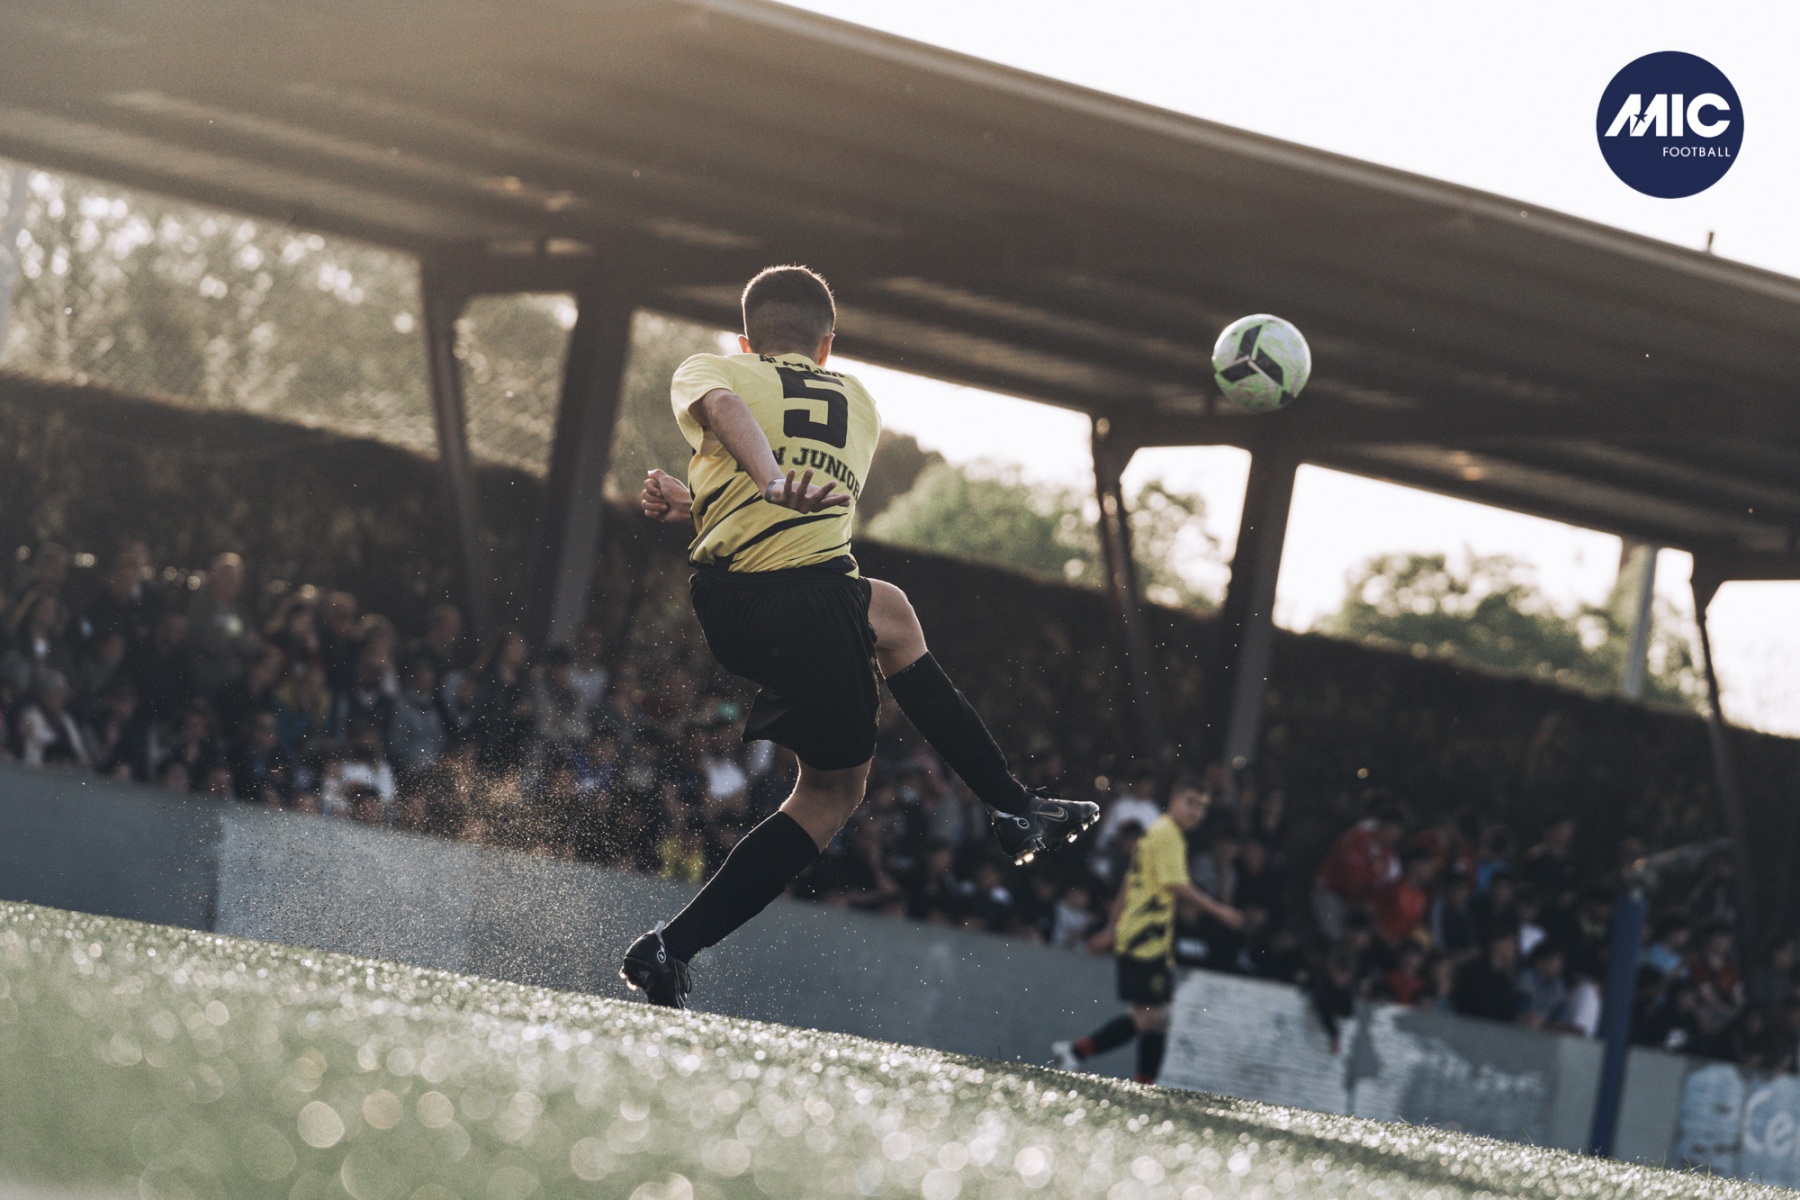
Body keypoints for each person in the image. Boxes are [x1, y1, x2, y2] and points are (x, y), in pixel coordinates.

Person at [620, 266, 1099, 1008]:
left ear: (746, 339)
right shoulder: (858, 400)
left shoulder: (716, 369)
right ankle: (668, 950)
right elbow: (777, 474)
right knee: (831, 794)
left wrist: (715, 495)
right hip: (808, 603)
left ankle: (1013, 806)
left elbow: (727, 410)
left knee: (890, 613)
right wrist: (770, 478)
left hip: (730, 605)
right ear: (827, 346)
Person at [1050, 780, 1244, 1084]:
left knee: (1160, 1017)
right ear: (1174, 799)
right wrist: (1221, 911)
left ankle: (1144, 1083)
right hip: (1145, 938)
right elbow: (1177, 886)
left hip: (1147, 937)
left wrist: (1112, 928)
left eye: (1202, 806)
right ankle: (1075, 1051)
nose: (1196, 811)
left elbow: (1129, 885)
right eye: (1191, 802)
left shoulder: (1155, 832)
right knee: (1151, 1015)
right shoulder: (1168, 835)